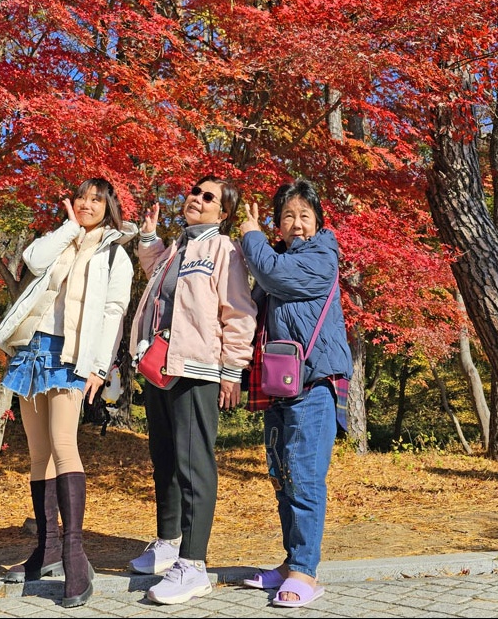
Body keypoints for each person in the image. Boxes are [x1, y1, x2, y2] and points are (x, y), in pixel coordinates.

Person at [0, 178, 136, 609]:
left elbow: (114, 312)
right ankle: (47, 547)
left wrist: (99, 365)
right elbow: (32, 260)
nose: (87, 204)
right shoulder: (62, 240)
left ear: (109, 207)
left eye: (97, 199)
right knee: (38, 455)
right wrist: (68, 229)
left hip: (72, 355)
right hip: (31, 349)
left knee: (64, 446)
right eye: (82, 198)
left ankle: (74, 555)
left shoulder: (115, 253)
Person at [127, 176, 256, 606]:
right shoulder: (178, 248)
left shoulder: (224, 250)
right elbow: (157, 280)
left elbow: (238, 311)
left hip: (198, 371)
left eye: (208, 197)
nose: (196, 200)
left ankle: (194, 564)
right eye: (194, 192)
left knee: (193, 464)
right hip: (160, 366)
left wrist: (233, 371)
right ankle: (168, 542)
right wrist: (149, 237)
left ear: (224, 212)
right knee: (163, 458)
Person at [239, 178, 352, 609]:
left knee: (304, 478)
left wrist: (250, 236)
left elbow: (272, 272)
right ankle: (291, 563)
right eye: (288, 216)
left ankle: (306, 571)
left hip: (314, 385)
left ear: (318, 221)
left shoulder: (321, 256)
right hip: (278, 384)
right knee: (282, 479)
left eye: (305, 215)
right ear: (280, 226)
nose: (297, 224)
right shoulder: (276, 260)